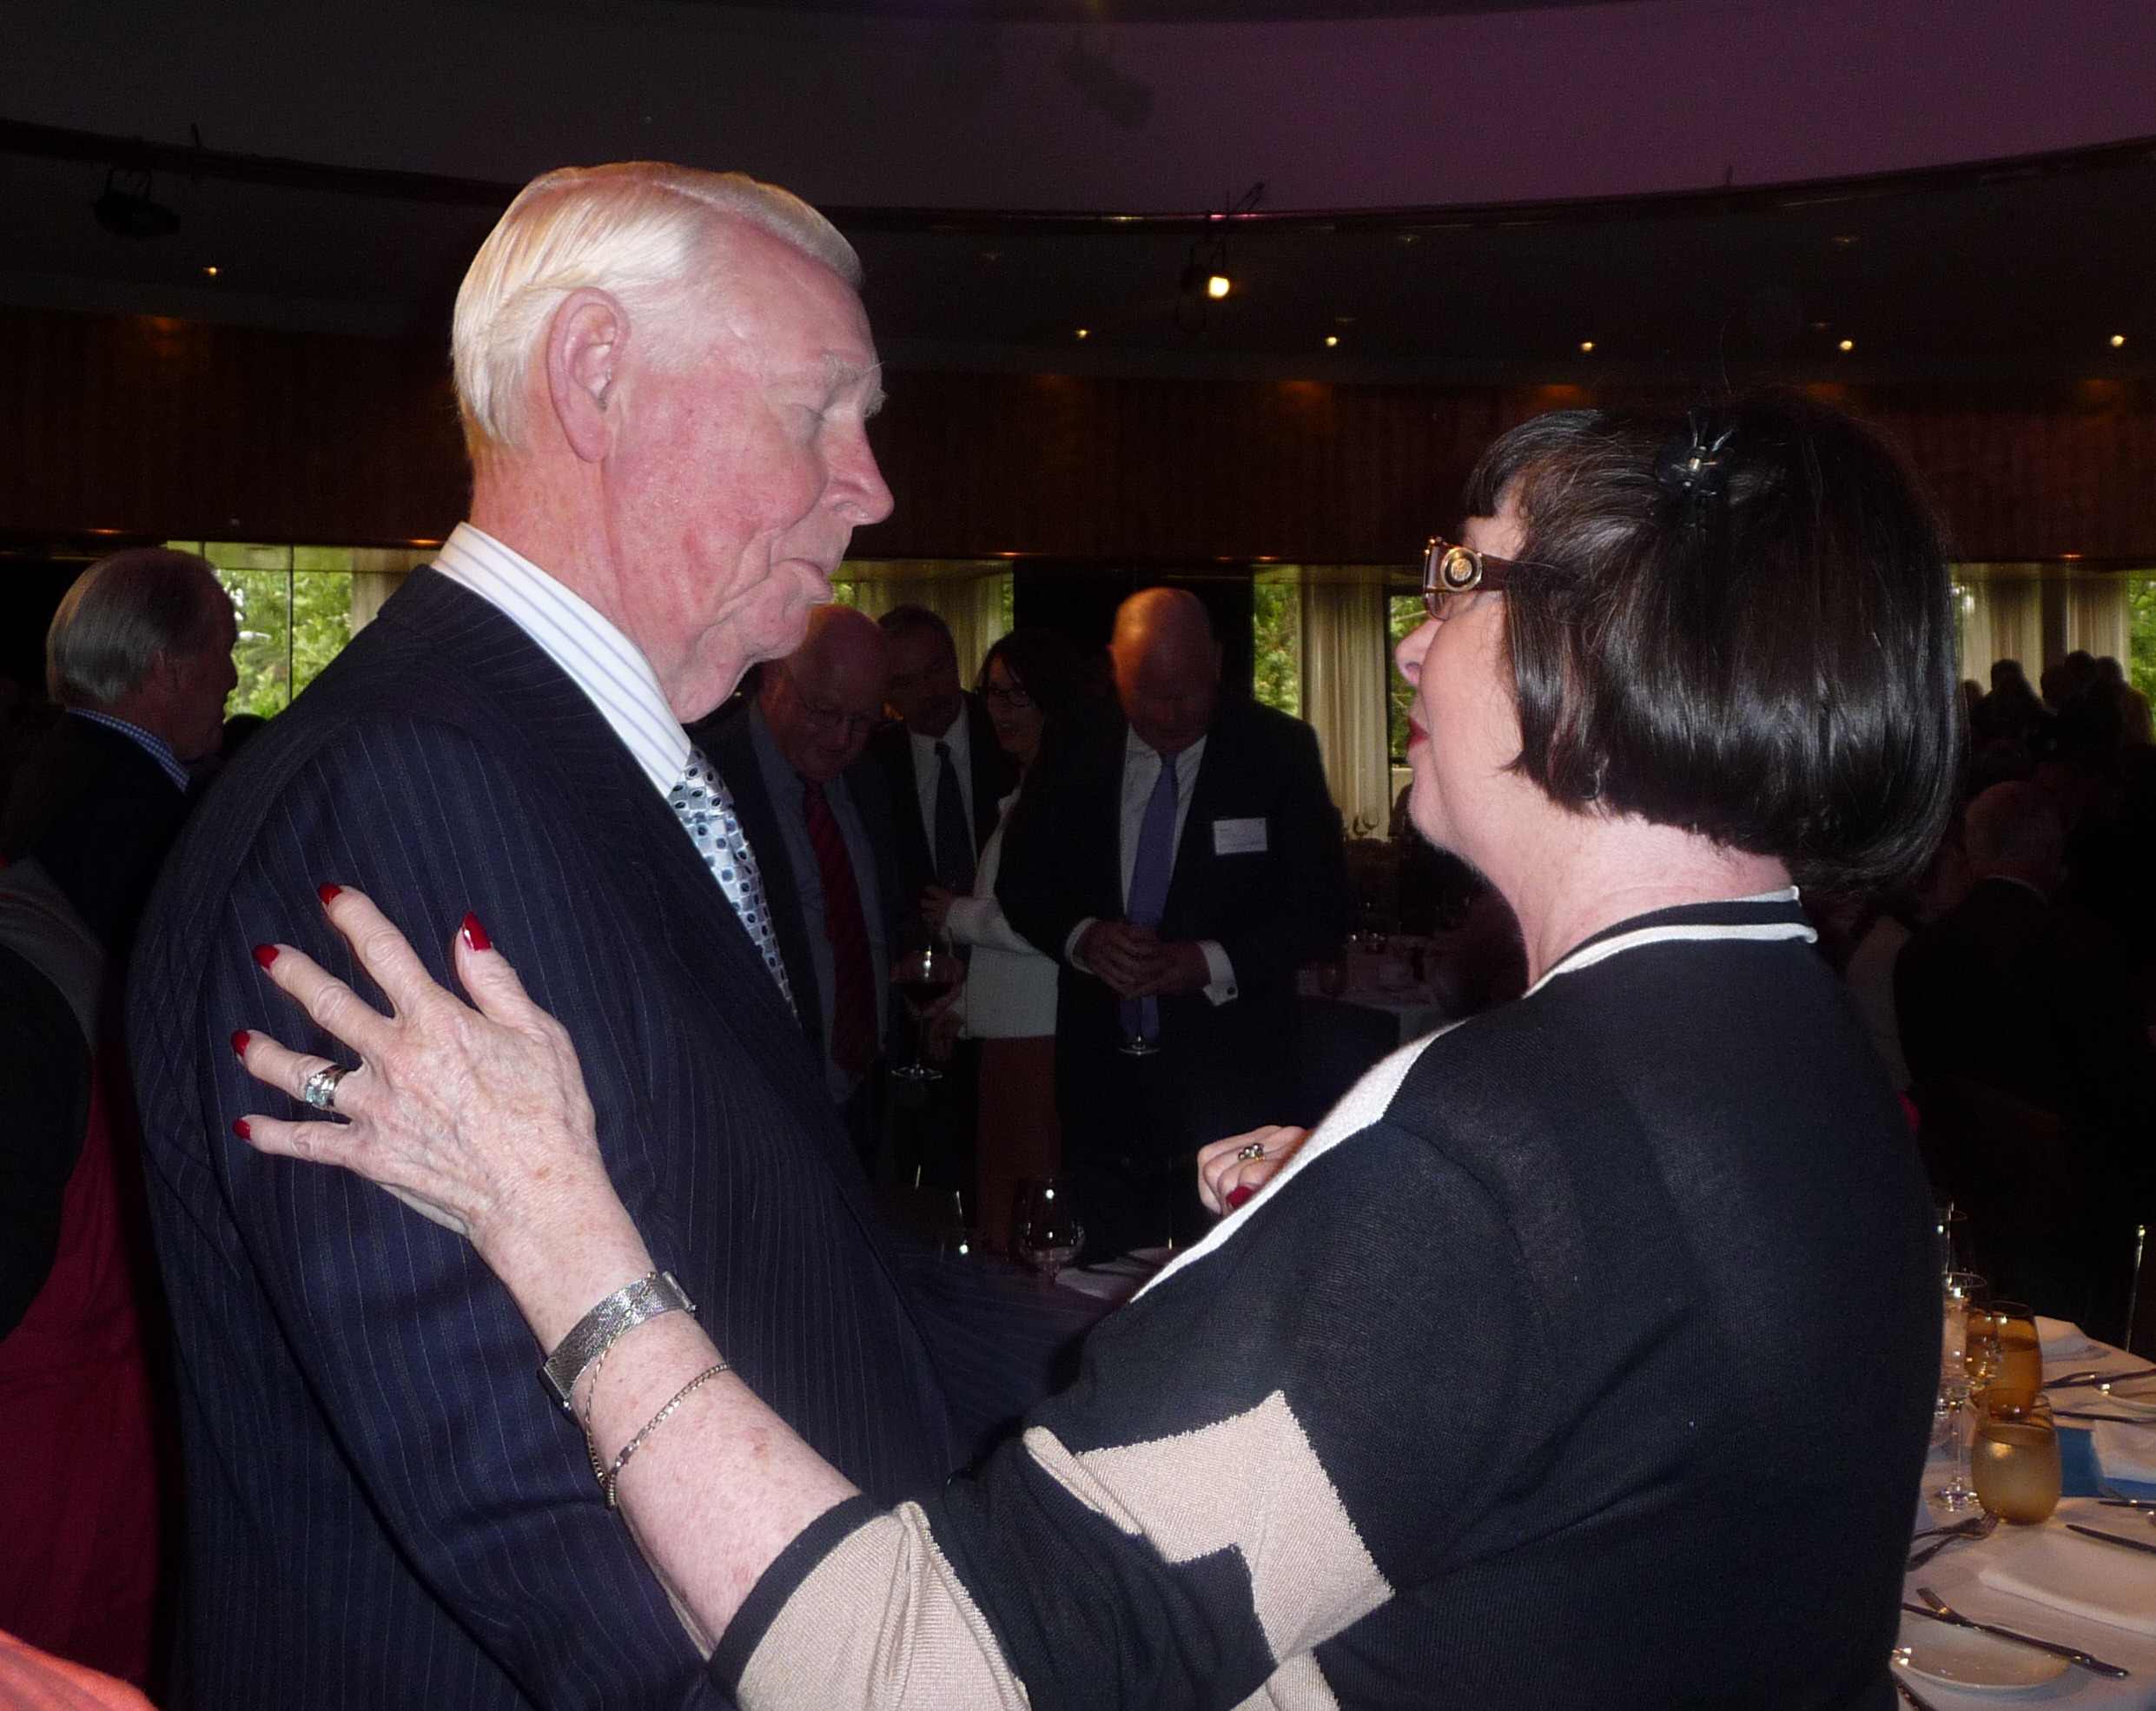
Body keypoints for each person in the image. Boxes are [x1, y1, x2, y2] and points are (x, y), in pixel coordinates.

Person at [229, 392, 1956, 1708]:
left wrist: (553, 1220)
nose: (1411, 636)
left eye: (1457, 572)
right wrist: (1362, 1243)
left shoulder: (1494, 1154)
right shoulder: (1785, 1044)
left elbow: (924, 1674)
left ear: (1608, 643)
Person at [126, 163, 997, 1711]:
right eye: (820, 411)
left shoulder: (586, 766)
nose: (870, 486)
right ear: (595, 374)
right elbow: (534, 1498)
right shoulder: (398, 796)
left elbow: (807, 1273)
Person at [995, 586, 1349, 1256]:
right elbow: (1022, 882)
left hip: (1233, 1082)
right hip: (1101, 1083)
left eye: (1186, 696)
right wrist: (1083, 939)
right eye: (1147, 696)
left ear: (1215, 662)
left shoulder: (1277, 750)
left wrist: (1207, 961)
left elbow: (1322, 908)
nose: (1166, 716)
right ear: (1115, 670)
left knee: (1225, 1279)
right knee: (1094, 1276)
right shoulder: (1074, 743)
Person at [1896, 780, 2156, 1330]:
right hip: (2081, 1217)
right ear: (2050, 851)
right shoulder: (2081, 949)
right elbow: (2127, 1096)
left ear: (1974, 854)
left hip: (1970, 1200)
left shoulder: (1922, 955)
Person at [695, 606, 905, 1167]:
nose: (842, 738)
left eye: (864, 720)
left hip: (866, 1103)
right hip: (757, 1113)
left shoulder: (868, 779)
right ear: (773, 677)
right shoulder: (704, 782)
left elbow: (874, 920)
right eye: (825, 712)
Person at [919, 629, 1084, 1249]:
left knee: (1027, 1224)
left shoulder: (1062, 793)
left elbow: (1051, 924)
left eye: (1019, 695)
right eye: (993, 693)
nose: (1001, 710)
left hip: (1038, 1035)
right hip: (1012, 1031)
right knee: (1007, 1211)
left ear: (1053, 701)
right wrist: (963, 1007)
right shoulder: (1029, 788)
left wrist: (954, 915)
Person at [1, 548, 237, 962]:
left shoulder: (55, 767)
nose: (232, 678)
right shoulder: (130, 813)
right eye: (224, 652)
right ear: (168, 667)